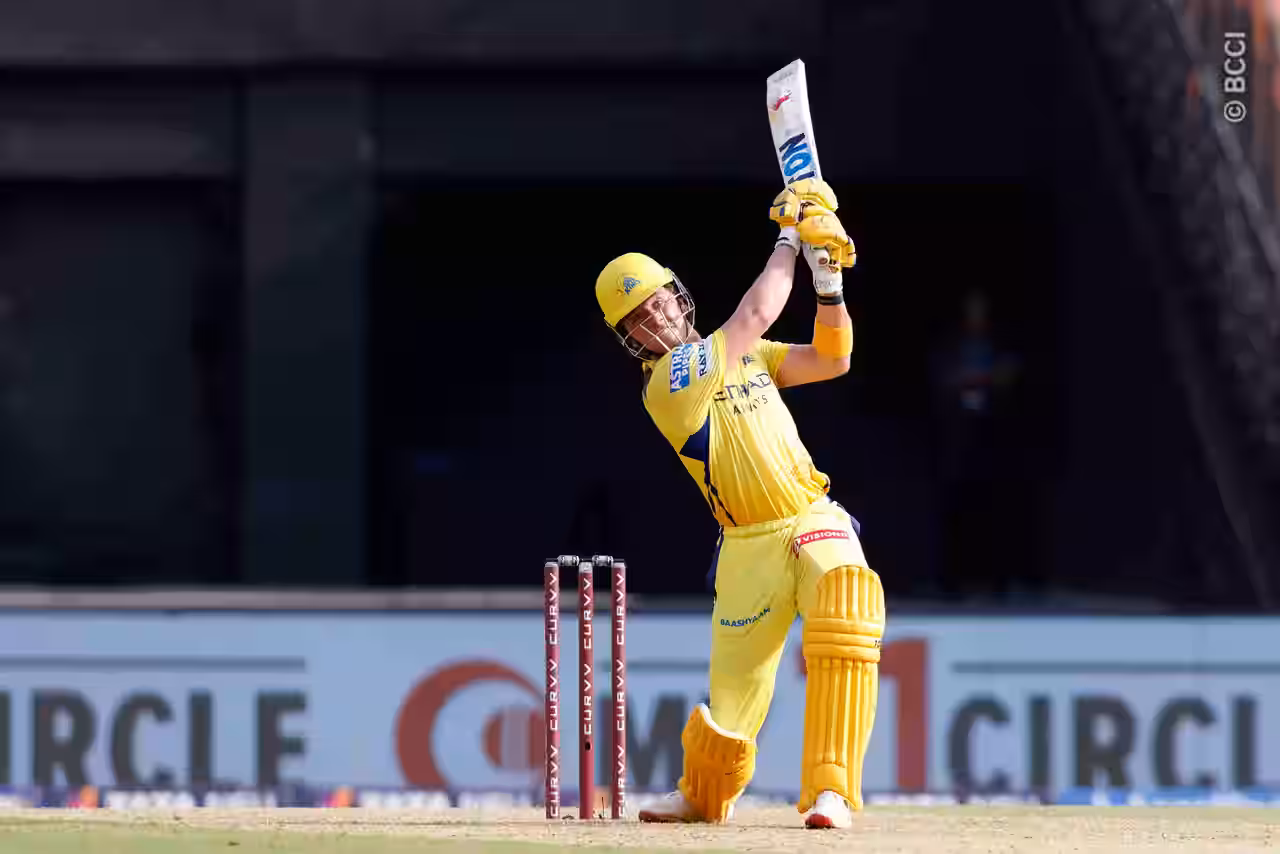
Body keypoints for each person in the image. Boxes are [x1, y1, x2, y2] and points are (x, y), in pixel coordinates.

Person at [593, 180, 885, 829]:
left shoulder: (745, 355)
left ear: (679, 295)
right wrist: (790, 240)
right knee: (732, 703)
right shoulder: (668, 385)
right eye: (640, 318)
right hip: (747, 543)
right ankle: (703, 791)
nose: (658, 318)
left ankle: (831, 790)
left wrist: (828, 281)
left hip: (810, 515)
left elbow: (832, 359)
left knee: (847, 598)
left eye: (661, 302)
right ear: (631, 339)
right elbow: (753, 316)